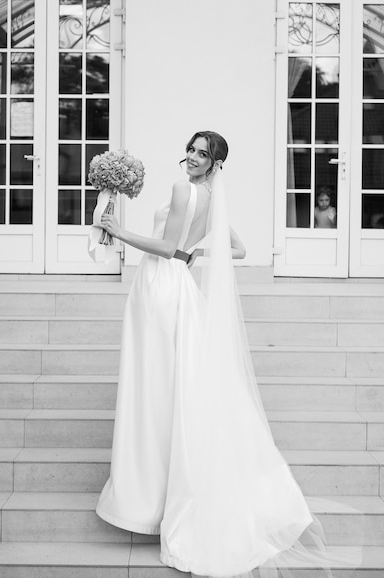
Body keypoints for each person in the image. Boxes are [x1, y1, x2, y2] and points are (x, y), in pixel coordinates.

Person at [96, 131, 359, 578]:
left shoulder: (183, 189)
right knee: (173, 389)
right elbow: (238, 248)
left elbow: (167, 248)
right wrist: (198, 250)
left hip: (161, 287)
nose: (193, 158)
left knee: (155, 389)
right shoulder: (212, 196)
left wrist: (120, 231)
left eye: (204, 154)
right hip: (179, 288)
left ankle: (150, 498)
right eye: (192, 150)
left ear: (216, 162)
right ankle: (162, 489)